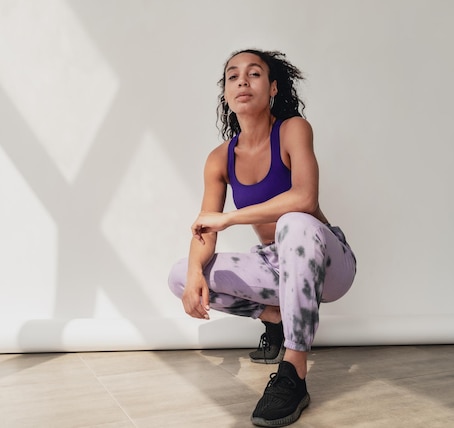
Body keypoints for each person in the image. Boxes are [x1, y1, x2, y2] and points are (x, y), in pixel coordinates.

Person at [168, 48, 356, 427]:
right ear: (225, 94)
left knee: (294, 221)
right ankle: (275, 317)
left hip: (328, 262)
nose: (242, 80)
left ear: (272, 88)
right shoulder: (220, 158)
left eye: (254, 74)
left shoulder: (292, 130)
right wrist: (193, 273)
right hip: (276, 266)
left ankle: (294, 374)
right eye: (233, 75)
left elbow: (305, 198)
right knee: (181, 275)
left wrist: (231, 218)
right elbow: (206, 228)